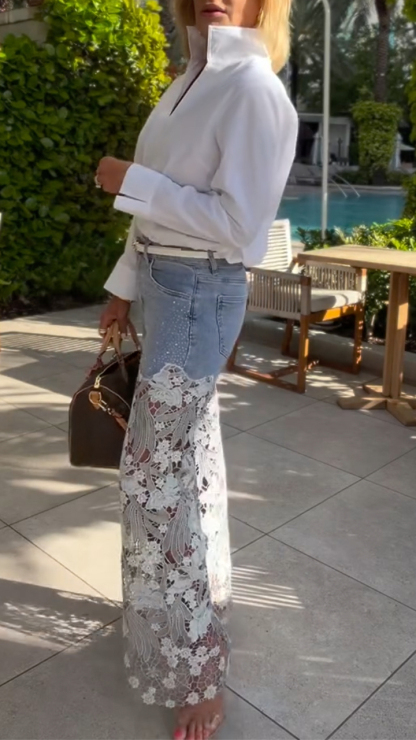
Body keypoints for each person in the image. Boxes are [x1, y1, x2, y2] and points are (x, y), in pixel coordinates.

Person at [95, 0, 297, 736]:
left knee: (156, 480)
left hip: (201, 291)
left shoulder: (255, 90)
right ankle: (196, 602)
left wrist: (130, 180)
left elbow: (242, 228)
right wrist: (123, 287)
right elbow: (157, 212)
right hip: (164, 284)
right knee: (185, 463)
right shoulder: (189, 79)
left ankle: (197, 670)